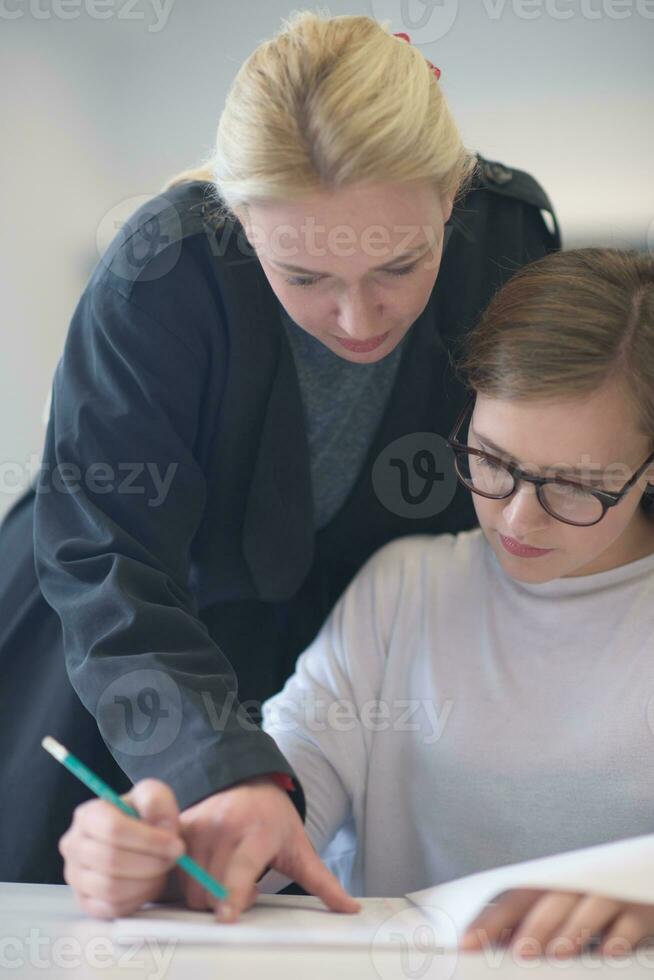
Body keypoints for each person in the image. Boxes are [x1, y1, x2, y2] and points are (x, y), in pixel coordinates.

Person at [0, 8, 559, 909]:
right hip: (118, 639)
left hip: (334, 651)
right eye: (304, 277)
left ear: (451, 199)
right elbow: (105, 551)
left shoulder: (510, 242)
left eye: (398, 266)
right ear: (241, 221)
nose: (357, 319)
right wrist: (211, 762)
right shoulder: (161, 268)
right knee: (83, 906)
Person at [59, 247, 654, 958]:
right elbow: (283, 805)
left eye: (572, 485)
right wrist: (166, 848)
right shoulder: (407, 588)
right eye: (492, 462)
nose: (517, 521)